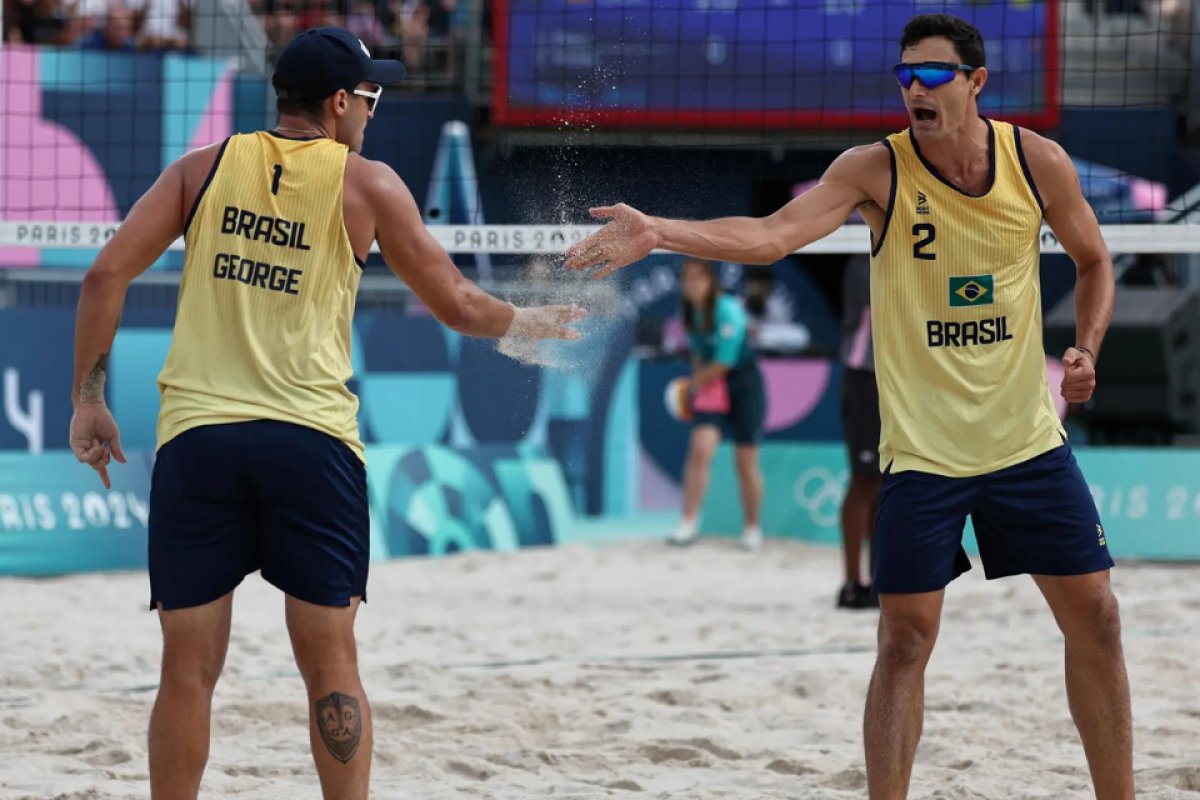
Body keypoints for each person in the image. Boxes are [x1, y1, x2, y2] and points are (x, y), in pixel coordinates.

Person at [565, 13, 1130, 799]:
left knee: (1097, 618)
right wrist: (659, 231)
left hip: (1025, 444)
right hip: (925, 454)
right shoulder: (876, 169)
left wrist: (1087, 350)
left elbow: (1095, 261)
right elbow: (770, 237)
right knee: (904, 641)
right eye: (905, 75)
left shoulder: (1037, 163)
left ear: (976, 83)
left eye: (933, 75)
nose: (914, 88)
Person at [68, 27, 583, 799]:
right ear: (340, 102)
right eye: (372, 98)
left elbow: (104, 275)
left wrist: (88, 400)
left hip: (201, 440)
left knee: (186, 672)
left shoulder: (200, 169)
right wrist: (527, 324)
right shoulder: (367, 185)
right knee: (332, 664)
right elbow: (457, 303)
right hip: (312, 444)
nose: (373, 113)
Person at [667, 257, 766, 552]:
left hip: (744, 383)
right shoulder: (688, 312)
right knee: (699, 451)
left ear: (711, 282)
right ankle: (688, 522)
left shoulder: (727, 310)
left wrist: (690, 386)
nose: (692, 284)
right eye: (687, 279)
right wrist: (696, 387)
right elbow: (699, 355)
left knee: (745, 464)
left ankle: (752, 527)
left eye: (698, 278)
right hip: (712, 384)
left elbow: (724, 362)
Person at [838, 254, 882, 609]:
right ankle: (853, 583)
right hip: (865, 375)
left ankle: (878, 580)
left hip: (895, 376)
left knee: (883, 482)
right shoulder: (862, 258)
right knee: (864, 480)